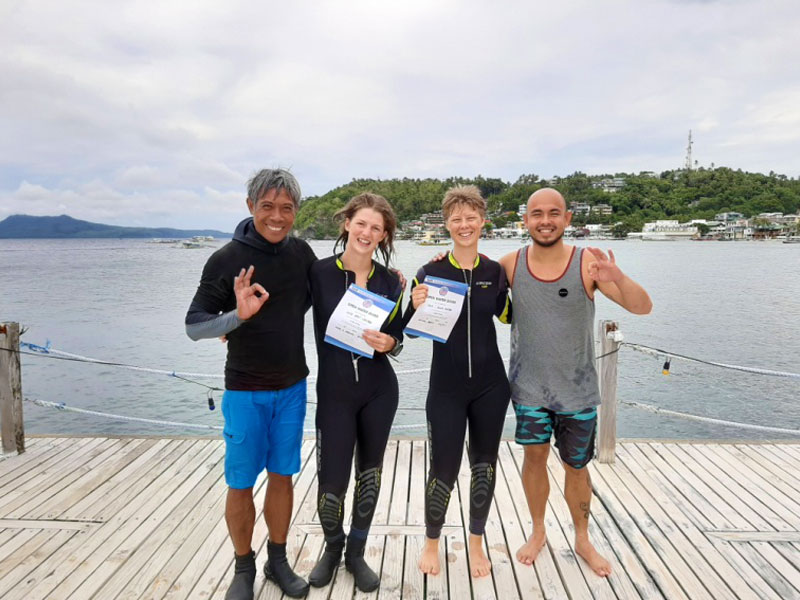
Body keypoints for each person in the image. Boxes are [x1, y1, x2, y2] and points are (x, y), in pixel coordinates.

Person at [499, 187, 652, 577]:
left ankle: (582, 537)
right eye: (537, 213)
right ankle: (538, 531)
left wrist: (618, 277)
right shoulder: (510, 265)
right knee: (534, 458)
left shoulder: (588, 265)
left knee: (576, 466)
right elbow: (466, 283)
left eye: (554, 213)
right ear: (525, 220)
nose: (545, 220)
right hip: (530, 388)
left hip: (578, 391)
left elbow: (642, 306)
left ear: (567, 219)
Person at [185, 169, 314, 599]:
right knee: (240, 482)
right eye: (267, 207)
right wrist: (236, 317)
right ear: (250, 207)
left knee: (283, 476)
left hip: (293, 387)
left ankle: (278, 560)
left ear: (296, 211)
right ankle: (244, 568)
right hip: (244, 390)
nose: (277, 217)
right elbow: (194, 326)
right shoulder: (225, 259)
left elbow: (332, 296)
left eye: (286, 208)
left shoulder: (302, 255)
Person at [404, 185, 512, 578]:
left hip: (490, 386)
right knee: (443, 469)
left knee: (484, 467)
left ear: (483, 221)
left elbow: (512, 316)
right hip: (446, 389)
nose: (464, 225)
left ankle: (476, 543)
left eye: (471, 217)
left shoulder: (495, 272)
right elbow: (409, 332)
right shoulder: (429, 272)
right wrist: (415, 307)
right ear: (446, 223)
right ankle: (432, 541)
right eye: (456, 218)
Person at [307, 193, 404, 593]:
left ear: (383, 236)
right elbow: (281, 308)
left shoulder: (390, 280)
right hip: (335, 392)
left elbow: (398, 337)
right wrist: (236, 326)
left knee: (370, 475)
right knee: (331, 482)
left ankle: (357, 552)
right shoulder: (318, 273)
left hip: (379, 390)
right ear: (347, 223)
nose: (367, 233)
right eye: (361, 223)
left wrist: (391, 343)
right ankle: (332, 549)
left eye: (376, 228)